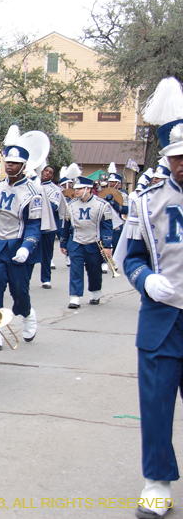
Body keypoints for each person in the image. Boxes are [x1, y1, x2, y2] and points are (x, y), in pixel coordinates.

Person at [121, 76, 183, 519]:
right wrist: (145, 281)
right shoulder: (145, 200)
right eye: (178, 157)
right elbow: (131, 256)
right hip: (163, 318)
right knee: (157, 403)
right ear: (166, 158)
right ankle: (157, 481)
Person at [0, 125, 46, 350]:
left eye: (14, 163)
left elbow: (34, 224)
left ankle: (27, 313)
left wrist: (26, 247)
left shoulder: (34, 192)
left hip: (19, 245)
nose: (9, 166)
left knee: (19, 291)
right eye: (7, 162)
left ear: (23, 166)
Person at [59, 168, 113, 308]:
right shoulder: (70, 205)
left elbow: (107, 226)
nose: (76, 191)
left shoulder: (102, 205)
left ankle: (95, 292)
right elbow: (65, 225)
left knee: (94, 270)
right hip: (76, 242)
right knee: (75, 269)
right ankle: (75, 296)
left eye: (80, 188)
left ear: (88, 189)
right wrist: (63, 243)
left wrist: (107, 245)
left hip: (94, 242)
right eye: (76, 188)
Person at [39, 165, 65, 289]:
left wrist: (39, 199)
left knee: (46, 254)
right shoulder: (33, 184)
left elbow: (53, 207)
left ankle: (46, 279)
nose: (47, 173)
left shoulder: (55, 190)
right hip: (32, 224)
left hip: (48, 226)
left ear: (52, 176)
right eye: (46, 171)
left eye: (50, 172)